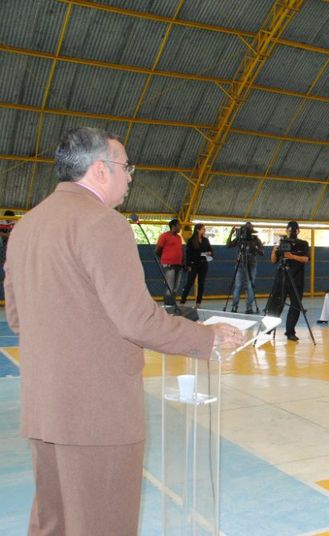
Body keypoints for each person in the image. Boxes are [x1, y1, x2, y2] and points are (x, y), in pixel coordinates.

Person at [3, 127, 243, 535]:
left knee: (53, 523)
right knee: (103, 525)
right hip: (97, 415)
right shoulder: (103, 224)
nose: (130, 177)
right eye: (126, 167)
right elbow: (136, 320)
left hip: (45, 407)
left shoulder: (26, 225)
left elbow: (18, 318)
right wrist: (207, 336)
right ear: (100, 169)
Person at [266, 221, 309, 341]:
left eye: (294, 229)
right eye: (290, 229)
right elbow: (274, 261)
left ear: (298, 230)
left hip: (297, 280)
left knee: (295, 306)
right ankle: (268, 329)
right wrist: (274, 251)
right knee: (276, 304)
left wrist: (292, 256)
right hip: (282, 278)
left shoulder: (303, 244)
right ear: (286, 230)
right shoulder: (282, 243)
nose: (292, 232)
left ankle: (290, 332)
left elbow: (306, 259)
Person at [226, 222, 264, 314]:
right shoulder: (240, 239)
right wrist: (231, 233)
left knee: (249, 286)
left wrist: (254, 248)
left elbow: (262, 252)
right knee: (240, 286)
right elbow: (228, 245)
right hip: (240, 264)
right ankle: (236, 307)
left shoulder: (255, 240)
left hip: (251, 264)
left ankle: (248, 307)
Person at [180, 223, 213, 307]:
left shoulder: (205, 240)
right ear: (198, 230)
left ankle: (198, 303)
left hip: (203, 265)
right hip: (193, 265)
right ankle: (182, 301)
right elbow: (189, 254)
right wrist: (189, 265)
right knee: (189, 283)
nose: (204, 230)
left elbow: (211, 252)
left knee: (201, 284)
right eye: (203, 229)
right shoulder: (191, 241)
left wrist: (207, 253)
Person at [155, 218, 184, 306]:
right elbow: (157, 251)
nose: (180, 228)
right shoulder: (164, 236)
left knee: (175, 288)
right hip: (168, 266)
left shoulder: (179, 238)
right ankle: (168, 307)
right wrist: (165, 260)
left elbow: (180, 250)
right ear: (173, 226)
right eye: (179, 226)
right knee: (169, 287)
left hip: (178, 265)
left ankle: (173, 305)